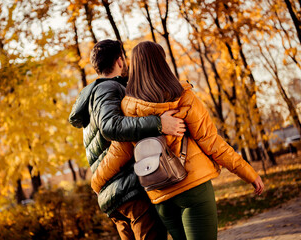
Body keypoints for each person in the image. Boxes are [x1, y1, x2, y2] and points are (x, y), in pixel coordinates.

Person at [91, 41, 265, 240]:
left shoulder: (128, 108)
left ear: (135, 67)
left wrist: (96, 183)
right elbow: (212, 142)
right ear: (162, 63)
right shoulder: (182, 96)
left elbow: (118, 153)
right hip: (193, 188)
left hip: (161, 196)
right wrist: (248, 173)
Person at [68, 39, 186, 240]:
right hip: (129, 188)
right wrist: (158, 123)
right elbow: (110, 127)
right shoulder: (107, 89)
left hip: (113, 193)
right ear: (120, 61)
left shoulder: (92, 96)